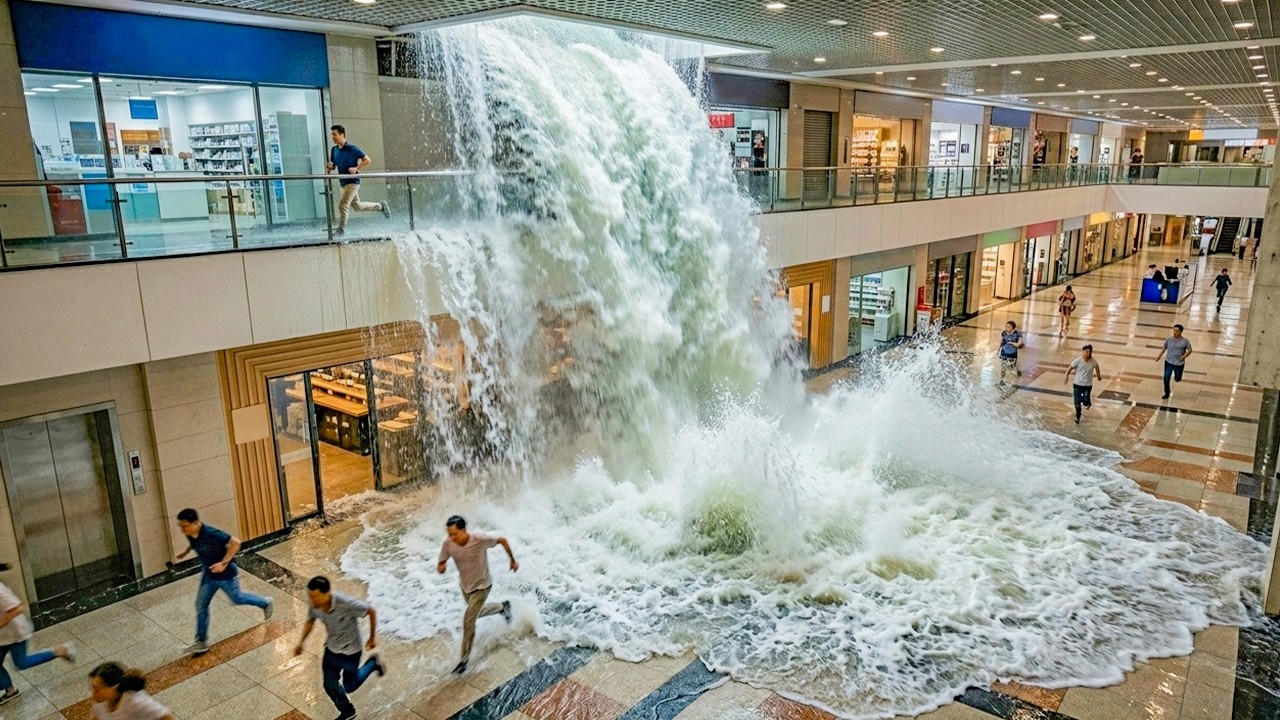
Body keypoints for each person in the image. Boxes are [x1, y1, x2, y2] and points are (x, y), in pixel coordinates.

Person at [175, 508, 272, 656]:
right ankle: (201, 641)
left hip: (225, 575)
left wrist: (224, 563)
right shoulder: (191, 534)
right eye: (181, 526)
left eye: (185, 526)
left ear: (196, 523)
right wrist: (185, 553)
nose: (183, 530)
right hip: (209, 575)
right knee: (201, 605)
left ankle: (265, 602)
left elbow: (236, 542)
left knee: (237, 598)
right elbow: (194, 544)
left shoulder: (211, 533)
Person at [293, 576, 384, 720]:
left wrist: (372, 638)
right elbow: (310, 621)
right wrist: (301, 643)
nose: (312, 600)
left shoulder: (345, 603)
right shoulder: (315, 605)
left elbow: (371, 611)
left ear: (327, 593)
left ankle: (373, 663)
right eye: (310, 596)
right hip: (332, 650)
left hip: (351, 652)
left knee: (349, 686)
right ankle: (348, 712)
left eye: (315, 596)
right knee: (330, 685)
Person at [437, 515, 517, 674]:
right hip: (466, 587)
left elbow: (502, 540)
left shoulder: (479, 539)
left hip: (483, 586)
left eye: (455, 534)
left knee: (468, 621)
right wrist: (442, 566)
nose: (451, 538)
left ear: (464, 530)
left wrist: (512, 560)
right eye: (449, 534)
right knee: (475, 613)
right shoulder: (448, 544)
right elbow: (442, 560)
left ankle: (463, 661)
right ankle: (502, 607)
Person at [0, 568, 75, 705]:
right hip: (3, 636)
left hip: (16, 632)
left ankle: (58, 651)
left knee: (21, 662)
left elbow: (18, 608)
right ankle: (10, 690)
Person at [326, 124, 390, 236]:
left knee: (343, 205)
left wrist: (356, 168)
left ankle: (341, 230)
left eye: (334, 134)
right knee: (357, 206)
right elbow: (334, 165)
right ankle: (380, 206)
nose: (332, 137)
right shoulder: (334, 150)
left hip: (353, 182)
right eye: (332, 135)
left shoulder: (352, 149)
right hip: (343, 183)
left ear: (342, 134)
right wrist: (330, 167)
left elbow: (367, 160)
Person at [88, 662, 175, 719]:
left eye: (97, 689)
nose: (94, 694)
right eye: (92, 688)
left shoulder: (136, 702)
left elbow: (166, 716)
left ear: (113, 687)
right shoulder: (100, 701)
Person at [1064, 344, 1103, 424]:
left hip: (1087, 385)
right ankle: (1078, 417)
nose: (1088, 354)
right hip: (1077, 384)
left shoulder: (1093, 361)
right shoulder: (1078, 361)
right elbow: (1069, 368)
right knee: (1077, 402)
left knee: (1085, 400)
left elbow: (1097, 368)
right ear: (1083, 352)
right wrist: (1066, 377)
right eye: (1086, 351)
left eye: (1090, 352)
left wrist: (1099, 376)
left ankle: (1087, 402)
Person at [1155, 324, 1193, 400]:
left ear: (1181, 332)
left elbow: (1190, 350)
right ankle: (1167, 392)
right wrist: (1159, 356)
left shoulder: (1185, 341)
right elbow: (1164, 348)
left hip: (1179, 363)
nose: (1174, 332)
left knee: (1177, 379)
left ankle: (1178, 377)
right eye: (1174, 330)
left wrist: (1183, 357)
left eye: (1176, 331)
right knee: (1166, 377)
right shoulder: (1169, 339)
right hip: (1168, 362)